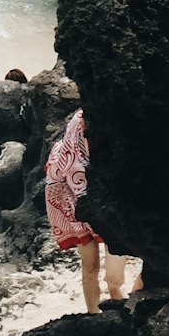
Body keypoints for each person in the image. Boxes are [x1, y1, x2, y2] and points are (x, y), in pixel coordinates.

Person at [45, 110, 126, 314]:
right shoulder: (81, 120)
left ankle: (118, 306)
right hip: (75, 198)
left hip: (100, 195)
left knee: (112, 275)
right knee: (90, 265)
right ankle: (93, 314)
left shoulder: (94, 115)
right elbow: (70, 162)